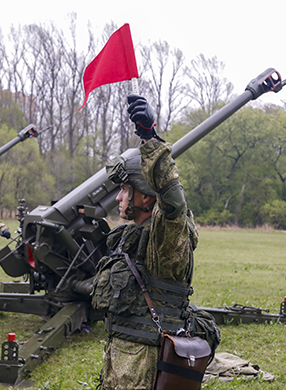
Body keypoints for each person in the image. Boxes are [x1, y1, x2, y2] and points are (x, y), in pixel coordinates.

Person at [95, 95, 199, 389]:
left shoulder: (165, 237)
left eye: (125, 189)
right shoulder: (132, 235)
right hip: (124, 363)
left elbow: (174, 204)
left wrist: (150, 137)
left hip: (145, 366)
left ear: (145, 194)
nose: (118, 197)